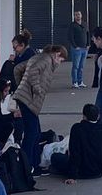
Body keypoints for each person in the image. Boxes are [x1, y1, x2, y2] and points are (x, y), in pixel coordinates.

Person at [11, 44, 64, 179]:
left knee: (35, 133)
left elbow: (18, 69)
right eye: (61, 60)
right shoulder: (46, 60)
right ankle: (26, 167)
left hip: (26, 100)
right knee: (31, 134)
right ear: (57, 54)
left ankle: (34, 164)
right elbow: (33, 72)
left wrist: (21, 87)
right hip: (29, 101)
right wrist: (36, 88)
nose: (60, 63)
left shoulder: (38, 57)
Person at [52, 104, 102, 184]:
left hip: (81, 171)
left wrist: (72, 176)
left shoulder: (77, 128)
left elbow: (75, 153)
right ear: (98, 116)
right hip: (98, 171)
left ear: (84, 116)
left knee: (55, 157)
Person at [68, 9, 89, 88]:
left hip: (84, 48)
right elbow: (70, 37)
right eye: (76, 15)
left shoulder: (84, 24)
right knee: (75, 66)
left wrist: (88, 44)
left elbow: (88, 33)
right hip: (76, 49)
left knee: (81, 66)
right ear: (74, 16)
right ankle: (75, 82)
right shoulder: (72, 25)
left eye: (79, 14)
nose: (78, 16)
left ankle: (80, 81)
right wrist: (75, 46)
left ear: (81, 15)